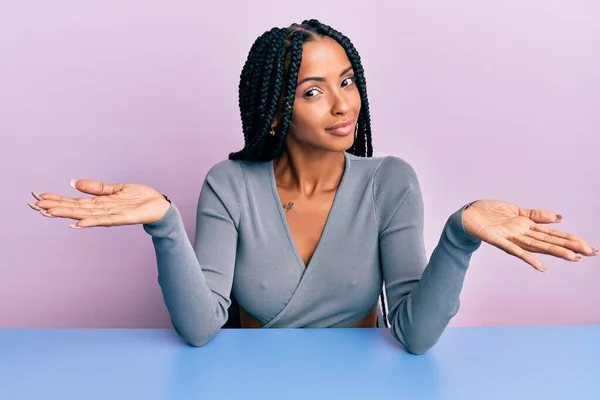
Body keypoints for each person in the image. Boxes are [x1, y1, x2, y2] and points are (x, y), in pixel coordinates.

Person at [27, 19, 597, 354]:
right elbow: (202, 330)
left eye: (347, 81)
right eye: (313, 90)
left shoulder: (391, 182)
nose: (344, 103)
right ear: (276, 110)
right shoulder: (229, 184)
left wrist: (460, 234)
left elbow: (416, 336)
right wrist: (164, 223)